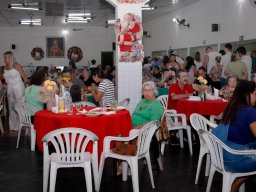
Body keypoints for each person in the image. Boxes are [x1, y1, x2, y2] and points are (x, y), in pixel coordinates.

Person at [212, 80, 256, 192]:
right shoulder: (250, 112)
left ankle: (236, 185)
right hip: (237, 159)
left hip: (225, 155)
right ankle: (235, 186)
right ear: (247, 94)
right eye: (255, 94)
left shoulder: (232, 107)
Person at [3, 51, 28, 133]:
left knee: (19, 107)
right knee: (11, 107)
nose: (6, 59)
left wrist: (26, 89)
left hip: (18, 87)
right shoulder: (4, 67)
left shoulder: (17, 66)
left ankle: (21, 124)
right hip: (10, 88)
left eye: (7, 57)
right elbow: (6, 80)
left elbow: (25, 78)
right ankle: (13, 125)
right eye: (5, 57)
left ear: (11, 58)